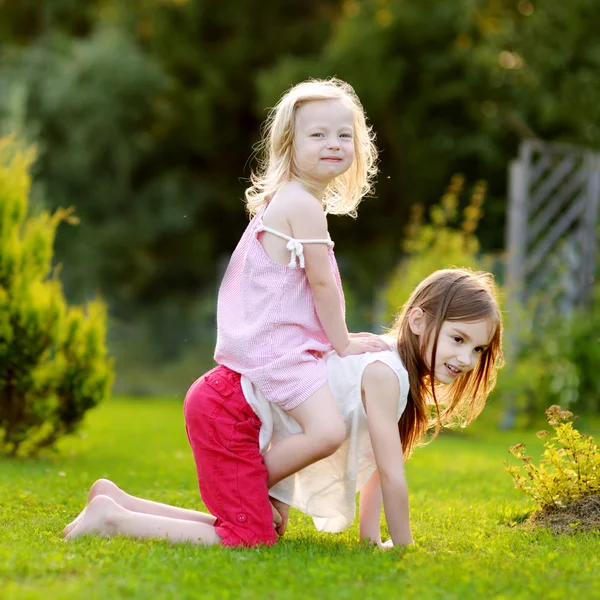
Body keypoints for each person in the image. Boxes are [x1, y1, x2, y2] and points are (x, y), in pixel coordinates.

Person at [64, 268, 504, 549]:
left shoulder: (388, 364)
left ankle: (117, 500)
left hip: (232, 406)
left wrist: (372, 541)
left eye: (477, 349)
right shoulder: (385, 372)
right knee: (249, 537)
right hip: (230, 410)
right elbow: (391, 473)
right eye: (458, 340)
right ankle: (112, 520)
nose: (466, 359)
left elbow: (374, 466)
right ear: (419, 321)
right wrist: (405, 548)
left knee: (263, 525)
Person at [214, 77, 389, 493]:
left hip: (274, 343)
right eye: (318, 134)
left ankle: (263, 490)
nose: (334, 143)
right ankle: (249, 483)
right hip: (275, 350)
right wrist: (343, 343)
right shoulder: (302, 205)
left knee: (313, 427)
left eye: (344, 135)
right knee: (328, 431)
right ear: (290, 145)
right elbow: (322, 285)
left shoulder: (291, 199)